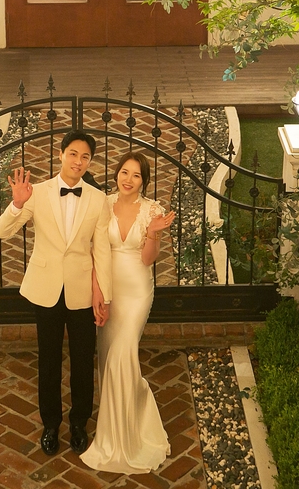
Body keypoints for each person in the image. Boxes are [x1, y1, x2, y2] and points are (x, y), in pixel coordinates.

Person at [0, 130, 112, 456]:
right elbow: (1, 232)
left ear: (90, 162)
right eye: (73, 154)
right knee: (48, 361)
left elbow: (102, 250)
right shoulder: (38, 193)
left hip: (81, 291)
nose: (78, 161)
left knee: (83, 362)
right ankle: (50, 424)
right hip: (45, 290)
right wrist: (17, 203)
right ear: (61, 155)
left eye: (85, 157)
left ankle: (79, 423)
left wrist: (103, 294)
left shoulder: (98, 199)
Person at [80, 151, 176, 474]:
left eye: (136, 175)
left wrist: (153, 232)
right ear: (116, 174)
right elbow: (95, 252)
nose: (128, 179)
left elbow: (148, 259)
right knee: (108, 357)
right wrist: (98, 293)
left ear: (143, 181)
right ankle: (117, 421)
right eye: (124, 172)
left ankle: (126, 438)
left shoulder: (152, 210)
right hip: (109, 290)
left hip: (136, 292)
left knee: (122, 356)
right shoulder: (103, 204)